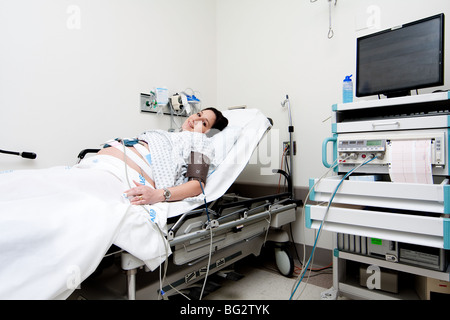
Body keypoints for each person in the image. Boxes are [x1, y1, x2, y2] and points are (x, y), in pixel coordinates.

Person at [95, 107, 228, 206]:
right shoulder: (172, 135)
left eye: (204, 123)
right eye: (198, 114)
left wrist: (158, 195)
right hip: (101, 164)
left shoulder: (200, 141)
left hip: (125, 176)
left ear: (208, 133)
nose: (195, 119)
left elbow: (197, 184)